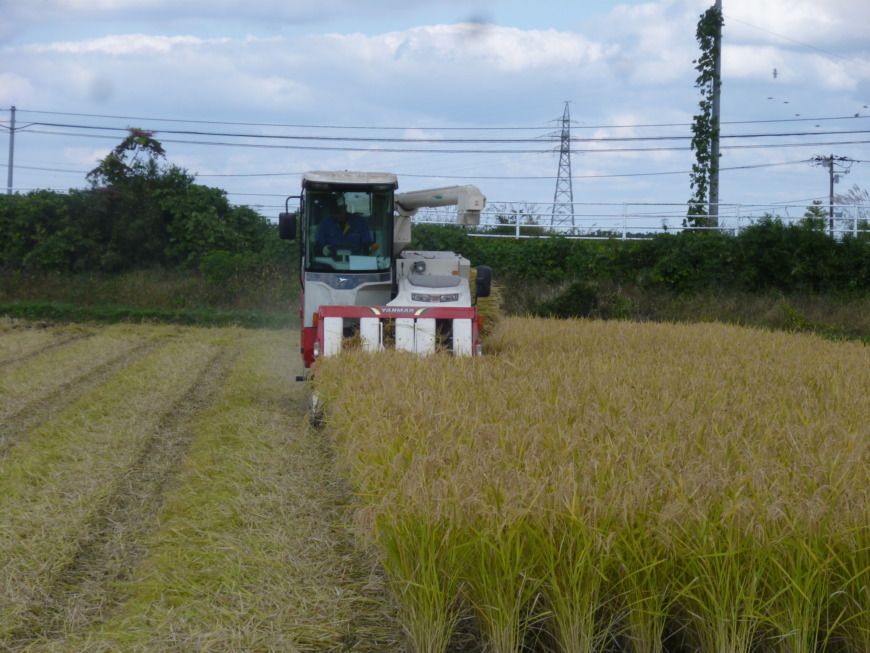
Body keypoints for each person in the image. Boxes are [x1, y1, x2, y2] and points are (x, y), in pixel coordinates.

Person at [315, 195, 379, 256]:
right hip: (331, 262)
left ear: (345, 208)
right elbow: (319, 244)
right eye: (334, 212)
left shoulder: (359, 222)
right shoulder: (325, 223)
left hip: (355, 262)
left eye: (339, 212)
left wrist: (370, 249)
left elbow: (367, 242)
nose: (337, 215)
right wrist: (323, 248)